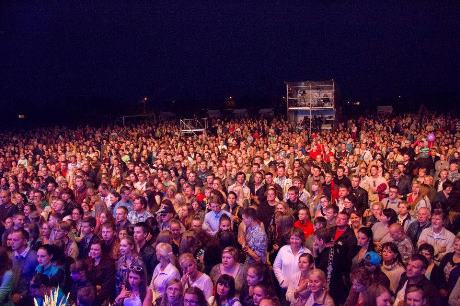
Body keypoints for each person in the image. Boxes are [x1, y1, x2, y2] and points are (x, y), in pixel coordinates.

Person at [88, 241, 116, 305]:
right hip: (91, 293)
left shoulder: (109, 264)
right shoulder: (90, 260)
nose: (93, 251)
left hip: (102, 297)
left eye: (96, 250)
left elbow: (107, 286)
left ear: (102, 251)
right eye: (91, 249)